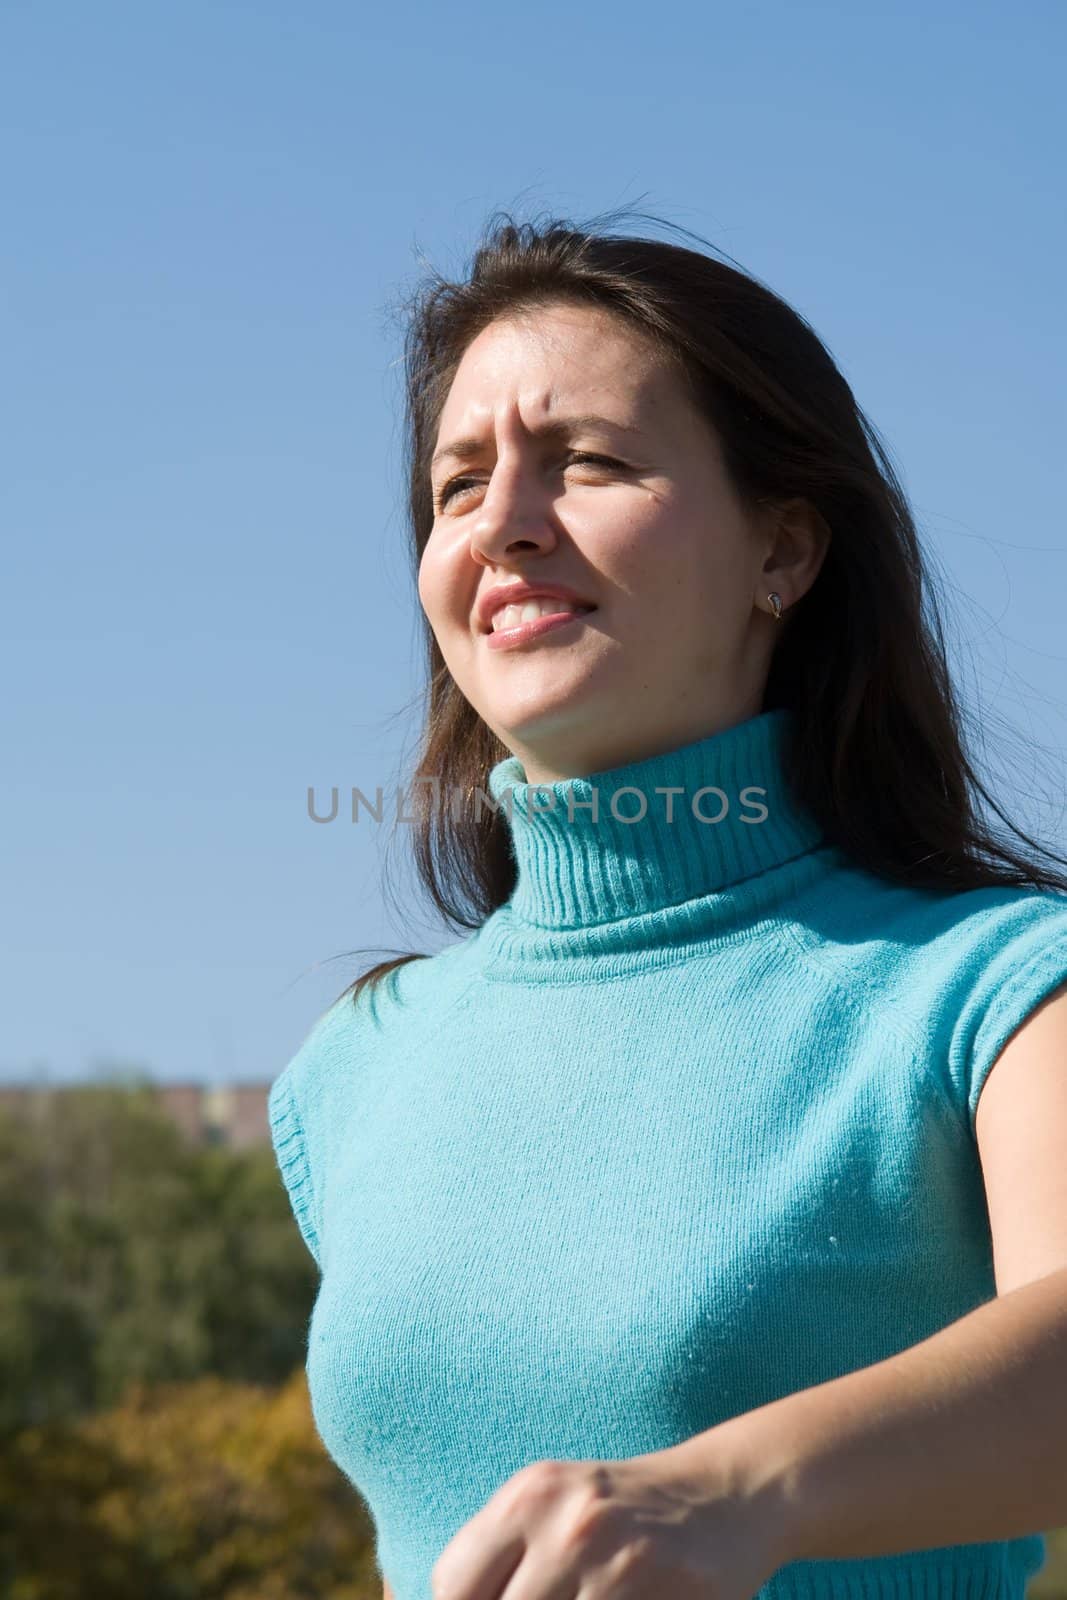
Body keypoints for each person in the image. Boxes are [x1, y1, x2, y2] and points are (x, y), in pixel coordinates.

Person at [269, 206, 1067, 1600]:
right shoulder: (357, 1067)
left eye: (586, 462)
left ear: (787, 553)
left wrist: (741, 1488)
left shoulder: (996, 991)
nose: (506, 526)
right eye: (459, 485)